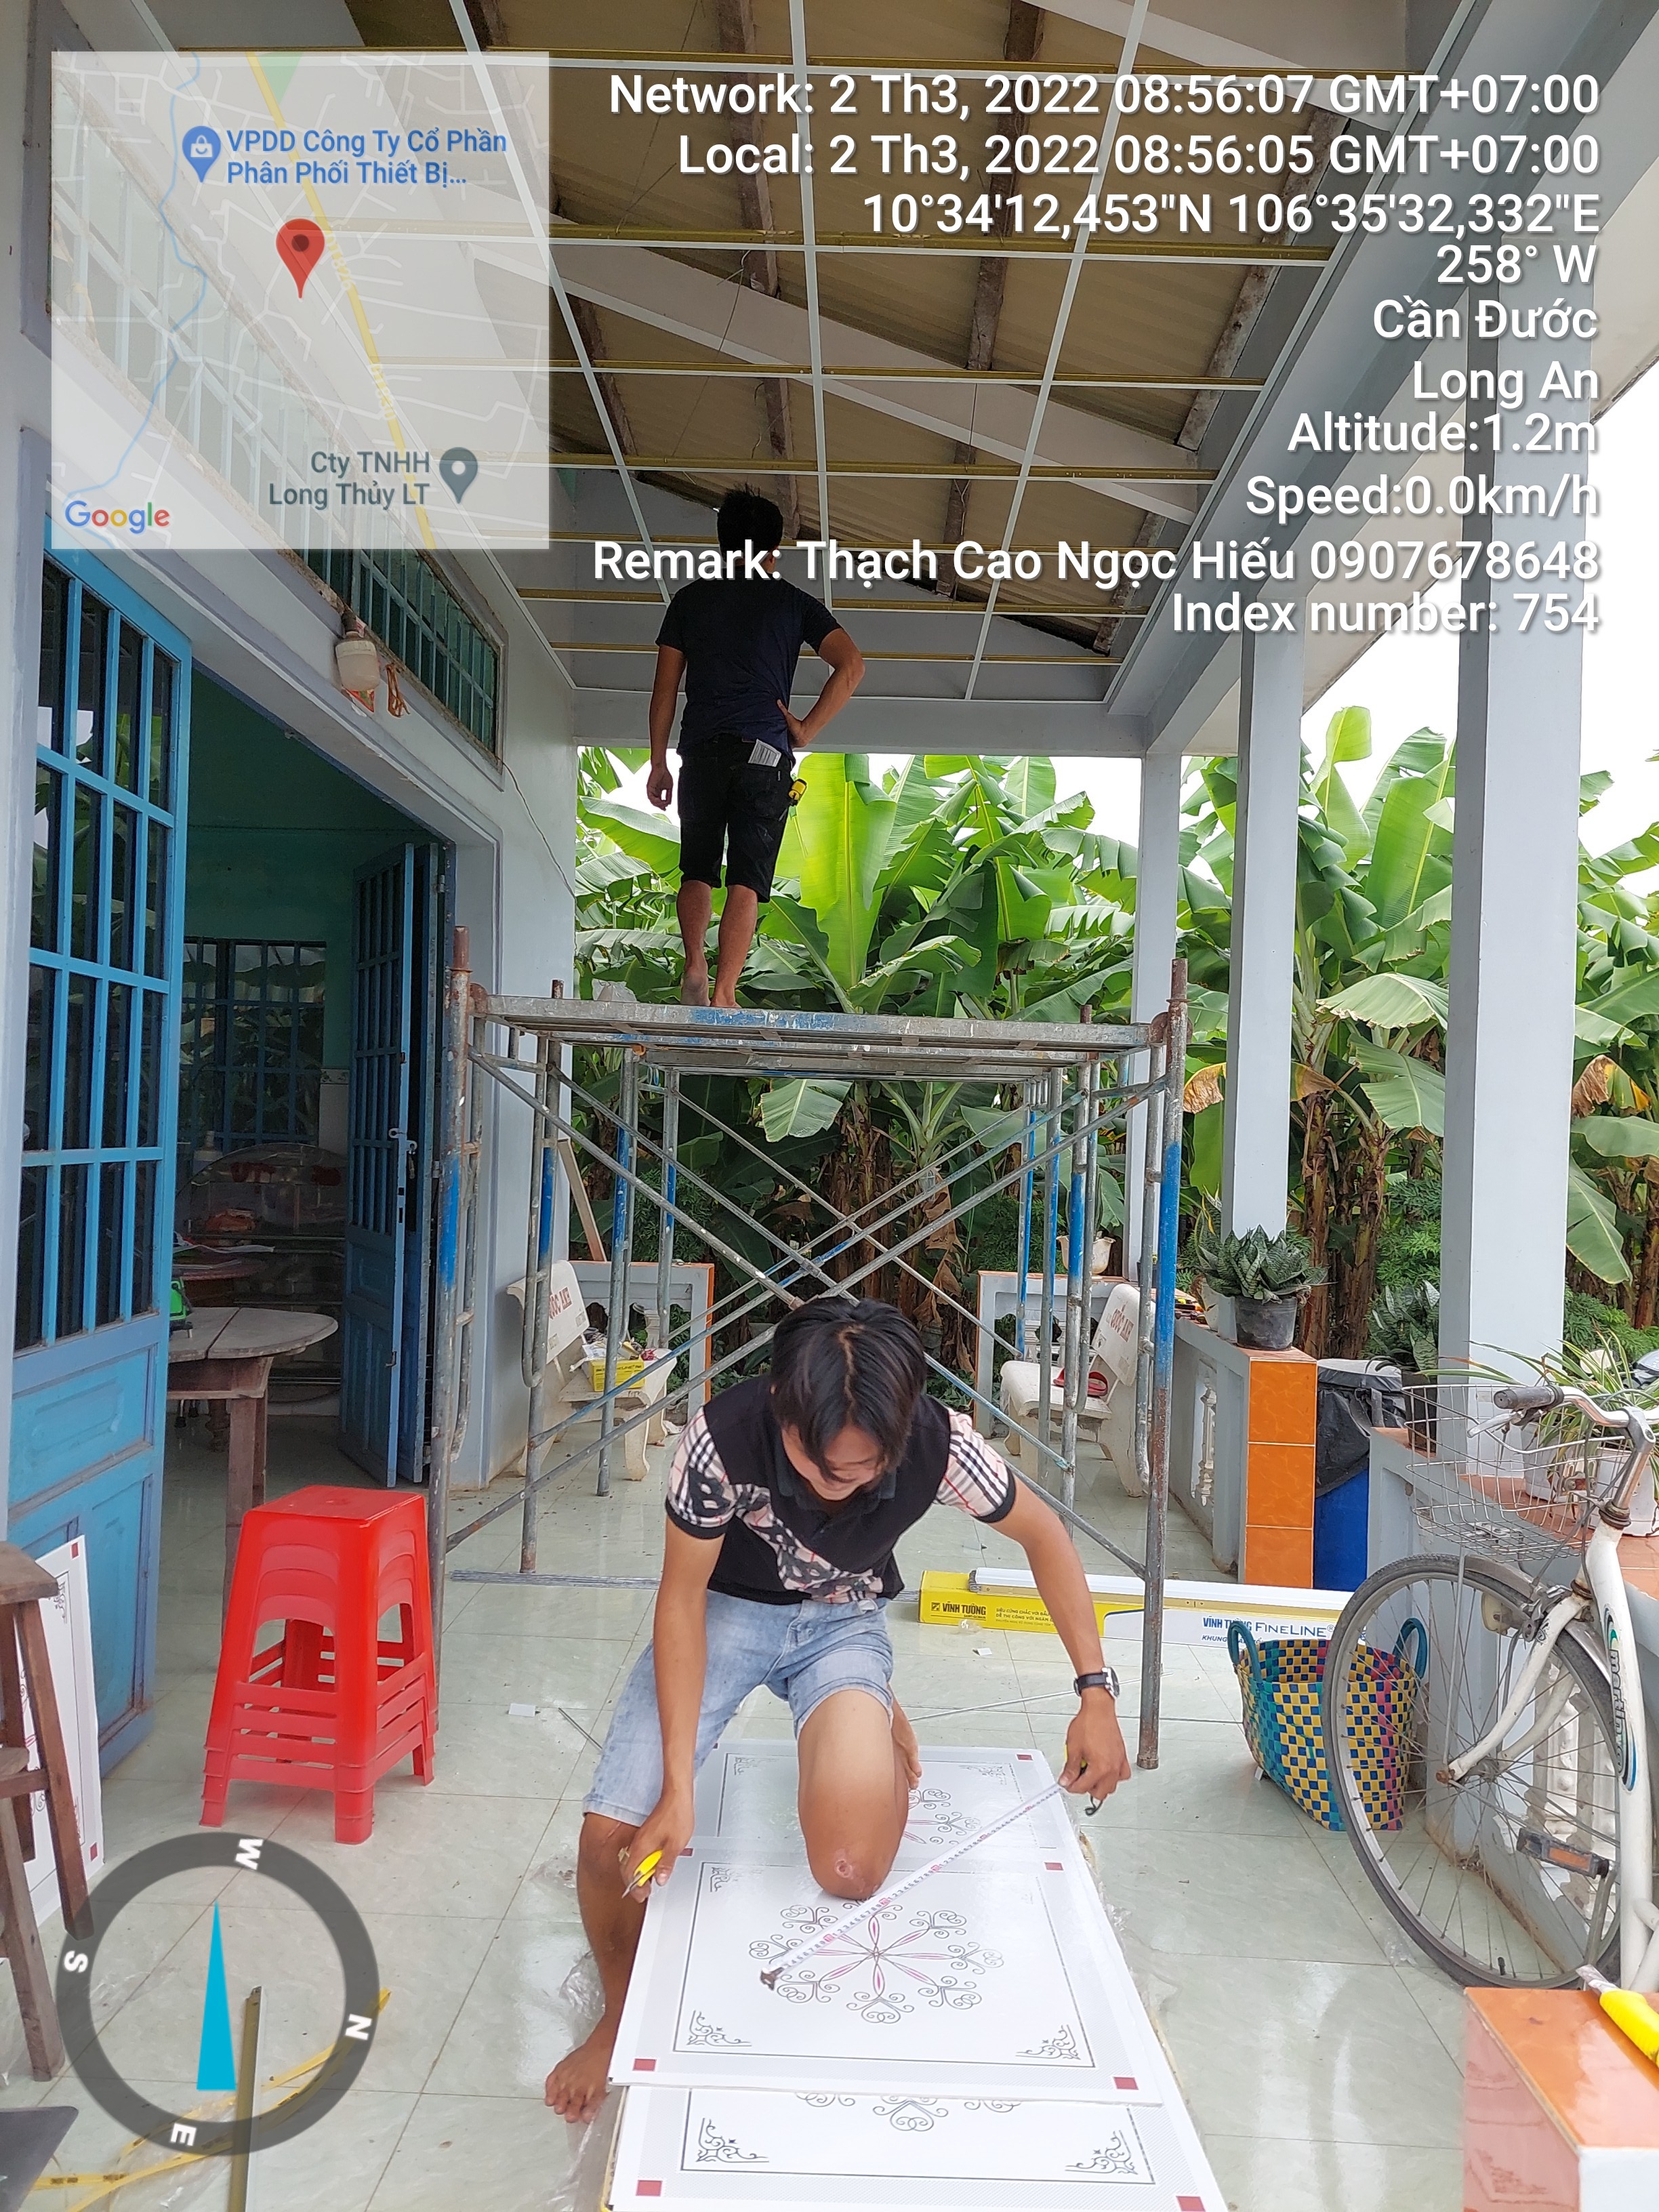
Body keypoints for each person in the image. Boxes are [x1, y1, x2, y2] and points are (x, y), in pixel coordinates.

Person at [544, 1295, 1132, 2123]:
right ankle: (620, 2011)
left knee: (850, 1870)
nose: (835, 1483)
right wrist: (678, 1789)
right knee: (610, 1842)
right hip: (723, 1614)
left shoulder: (939, 1443)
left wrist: (1095, 1691)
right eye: (817, 1464)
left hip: (842, 1620)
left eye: (859, 1471)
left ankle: (867, 1700)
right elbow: (680, 1603)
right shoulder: (719, 1440)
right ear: (783, 1407)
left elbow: (1045, 1535)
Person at [646, 489, 865, 1008]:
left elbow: (665, 691)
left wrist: (658, 761)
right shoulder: (793, 603)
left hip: (703, 752)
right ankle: (724, 992)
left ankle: (695, 963)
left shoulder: (690, 600)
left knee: (697, 867)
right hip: (765, 756)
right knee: (746, 879)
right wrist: (806, 729)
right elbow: (852, 665)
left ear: (722, 542)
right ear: (775, 549)